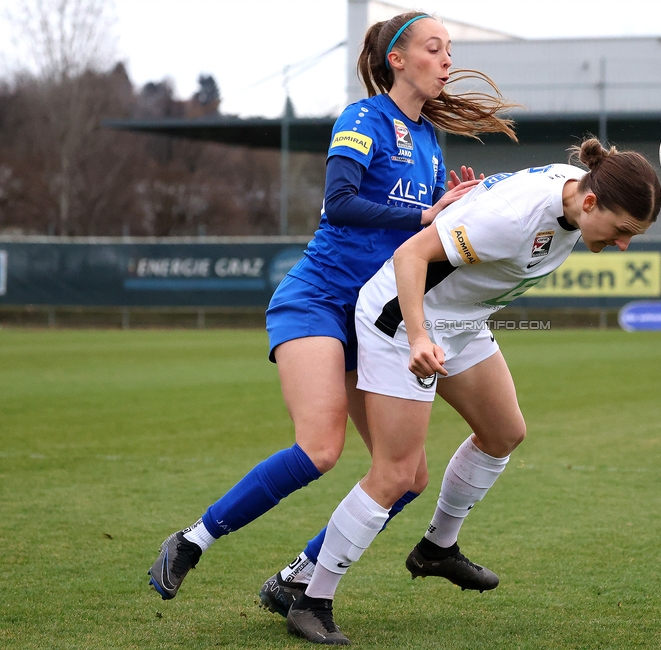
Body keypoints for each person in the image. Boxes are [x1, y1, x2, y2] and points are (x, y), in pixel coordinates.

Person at [148, 11, 517, 604]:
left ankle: (295, 578)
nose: (447, 59)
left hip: (371, 322)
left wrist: (453, 205)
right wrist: (425, 214)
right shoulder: (362, 118)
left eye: (449, 49)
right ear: (397, 60)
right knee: (320, 449)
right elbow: (341, 203)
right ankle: (192, 540)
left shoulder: (426, 141)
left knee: (408, 477)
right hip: (316, 301)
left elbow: (421, 243)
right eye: (434, 48)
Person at [283, 139, 661, 645]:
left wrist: (470, 199)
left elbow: (489, 202)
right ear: (590, 202)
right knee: (396, 474)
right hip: (401, 322)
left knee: (504, 432)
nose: (622, 246)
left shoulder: (573, 192)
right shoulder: (514, 219)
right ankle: (312, 599)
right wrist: (419, 335)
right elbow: (410, 255)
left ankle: (437, 548)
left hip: (460, 322)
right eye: (621, 232)